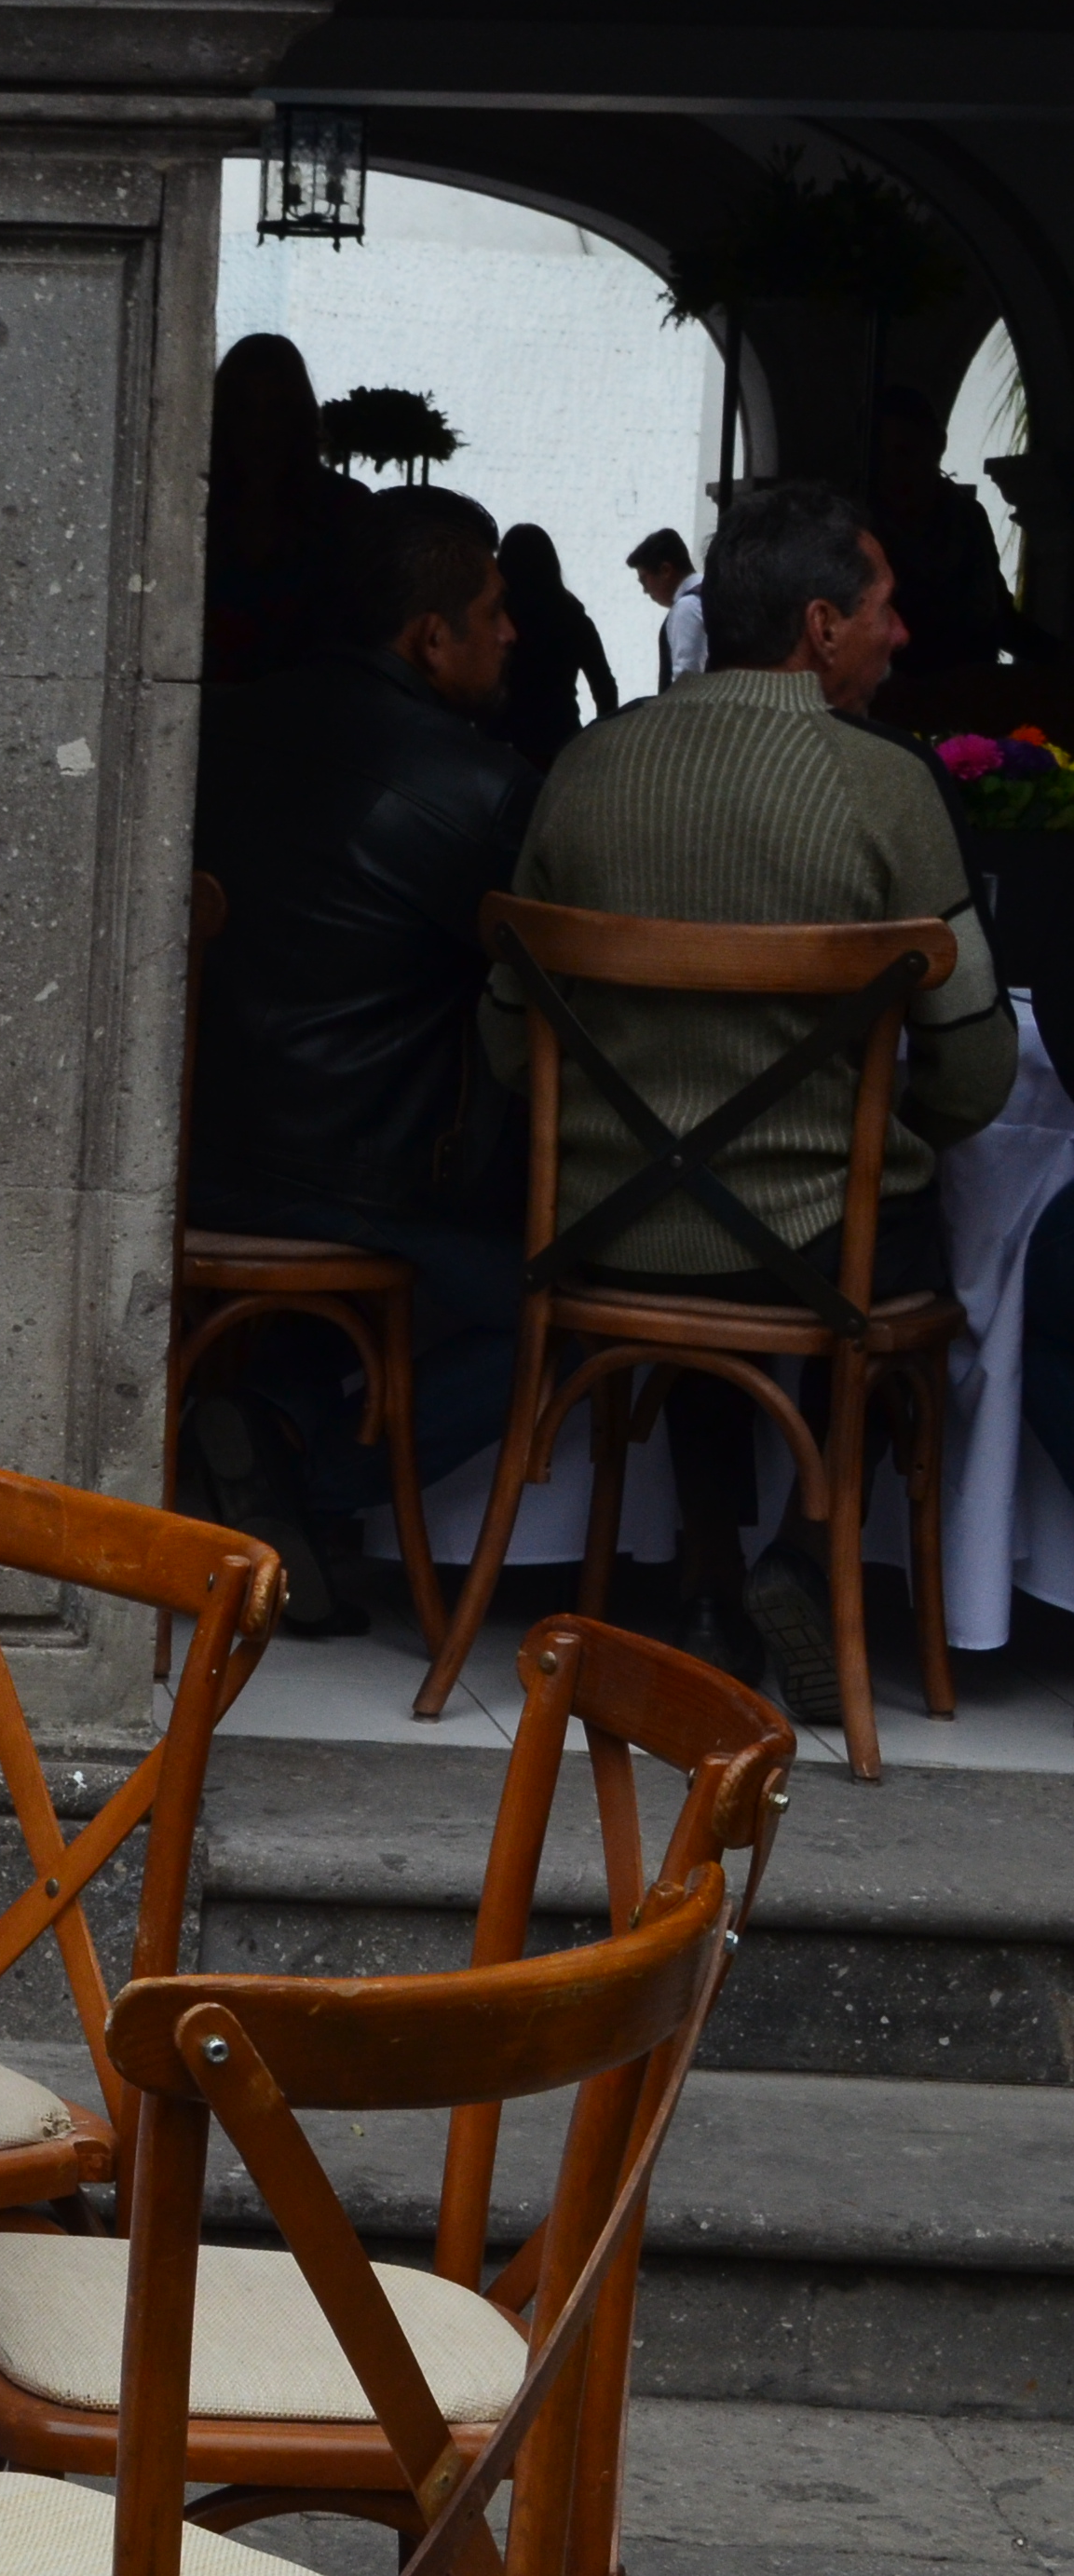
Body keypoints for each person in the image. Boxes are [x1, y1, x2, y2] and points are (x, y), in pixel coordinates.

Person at [485, 479, 1013, 1714]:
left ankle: (713, 1583)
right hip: (814, 1250)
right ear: (821, 627)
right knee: (874, 1238)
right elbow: (978, 1068)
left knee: (707, 1232)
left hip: (600, 1233)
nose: (904, 636)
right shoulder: (891, 788)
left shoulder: (583, 765)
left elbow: (509, 1048)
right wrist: (884, 1132)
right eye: (886, 611)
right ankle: (801, 1559)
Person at [183, 484, 538, 1633]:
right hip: (369, 1172)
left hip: (203, 1152)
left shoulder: (216, 729)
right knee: (561, 1305)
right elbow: (530, 1001)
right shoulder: (481, 788)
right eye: (491, 610)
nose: (511, 633)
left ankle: (269, 1427)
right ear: (428, 636)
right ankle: (307, 1474)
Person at [203, 333, 377, 686]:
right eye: (245, 409)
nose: (260, 429)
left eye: (276, 410)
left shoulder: (345, 510)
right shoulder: (192, 507)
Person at [874, 383, 1034, 683]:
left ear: (938, 445)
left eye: (905, 453)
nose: (893, 469)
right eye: (881, 457)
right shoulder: (858, 528)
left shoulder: (969, 520)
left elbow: (999, 619)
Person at [492, 523, 619, 766]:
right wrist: (600, 742)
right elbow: (604, 686)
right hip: (560, 740)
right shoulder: (573, 618)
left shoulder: (496, 621)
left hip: (502, 743)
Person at [629, 528, 703, 693]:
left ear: (665, 570)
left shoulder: (687, 608)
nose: (645, 591)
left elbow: (686, 679)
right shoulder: (711, 592)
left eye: (644, 580)